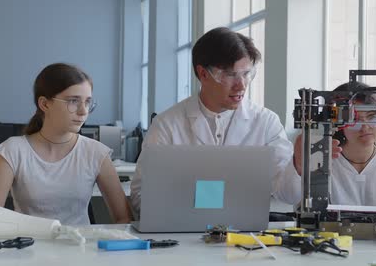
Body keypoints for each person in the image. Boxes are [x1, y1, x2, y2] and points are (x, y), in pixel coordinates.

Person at [130, 27, 312, 218]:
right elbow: (140, 196)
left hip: (246, 235)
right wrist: (185, 205)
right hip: (183, 233)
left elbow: (289, 196)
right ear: (203, 74)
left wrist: (297, 166)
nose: (241, 85)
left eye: (246, 73)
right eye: (230, 75)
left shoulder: (266, 122)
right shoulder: (167, 125)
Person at [0, 63, 132, 225]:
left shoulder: (96, 152)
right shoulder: (13, 150)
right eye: (73, 101)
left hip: (81, 248)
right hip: (28, 247)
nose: (83, 111)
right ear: (45, 104)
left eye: (87, 102)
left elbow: (124, 218)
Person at [294, 82, 376, 207]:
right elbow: (295, 200)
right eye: (354, 120)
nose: (366, 127)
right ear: (336, 124)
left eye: (372, 117)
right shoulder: (320, 154)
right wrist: (297, 163)